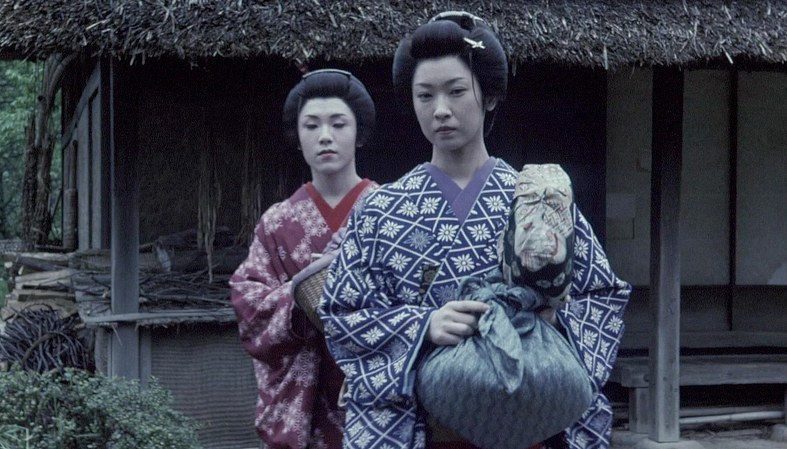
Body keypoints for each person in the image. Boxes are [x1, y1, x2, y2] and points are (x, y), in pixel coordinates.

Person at [318, 11, 631, 449]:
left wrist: (554, 320)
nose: (440, 110)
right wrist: (423, 326)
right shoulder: (379, 210)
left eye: (456, 91)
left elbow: (602, 294)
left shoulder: (537, 197)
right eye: (424, 95)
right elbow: (342, 312)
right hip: (418, 428)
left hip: (527, 421)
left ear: (489, 96)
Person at [230, 68, 378, 449]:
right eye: (311, 125)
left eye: (338, 124)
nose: (325, 135)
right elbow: (250, 306)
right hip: (306, 400)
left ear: (359, 133)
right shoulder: (277, 222)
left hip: (373, 394)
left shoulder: (388, 210)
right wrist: (301, 298)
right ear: (297, 137)